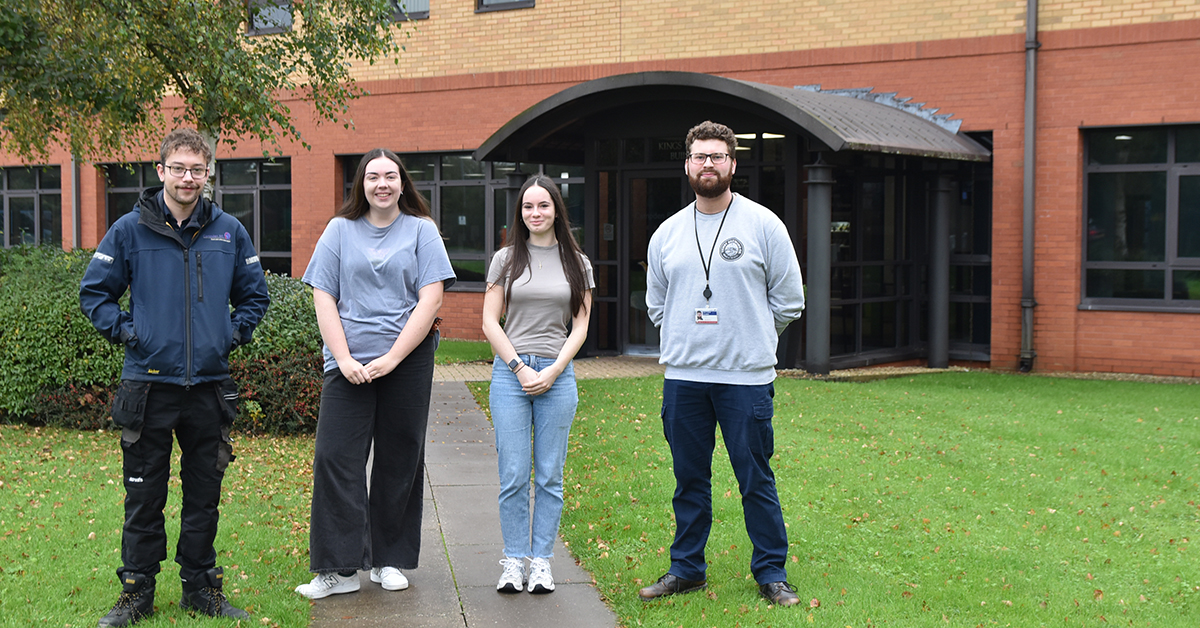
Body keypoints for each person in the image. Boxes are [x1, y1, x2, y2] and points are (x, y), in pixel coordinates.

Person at [80, 128, 271, 626]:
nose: (189, 177)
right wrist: (130, 333)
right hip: (147, 386)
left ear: (208, 174)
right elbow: (94, 294)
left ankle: (201, 589)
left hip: (210, 388)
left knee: (204, 496)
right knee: (144, 496)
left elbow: (255, 296)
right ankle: (136, 593)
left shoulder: (230, 230)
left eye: (198, 169)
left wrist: (230, 335)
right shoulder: (128, 230)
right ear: (161, 170)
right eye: (179, 168)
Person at [640, 121, 806, 607]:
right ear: (687, 165)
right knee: (689, 479)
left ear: (733, 164)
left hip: (745, 380)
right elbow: (657, 304)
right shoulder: (667, 233)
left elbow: (789, 300)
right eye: (699, 156)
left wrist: (750, 338)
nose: (707, 164)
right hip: (685, 379)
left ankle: (771, 573)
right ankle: (686, 569)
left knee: (755, 478)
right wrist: (687, 337)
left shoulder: (763, 225)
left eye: (716, 156)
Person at [295, 148, 455, 599]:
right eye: (372, 177)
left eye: (390, 176)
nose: (381, 184)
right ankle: (339, 570)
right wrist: (344, 358)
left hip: (406, 361)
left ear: (403, 183)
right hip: (347, 364)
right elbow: (324, 295)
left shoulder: (422, 230)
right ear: (360, 185)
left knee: (399, 457)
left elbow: (432, 298)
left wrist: (393, 358)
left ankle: (389, 560)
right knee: (334, 457)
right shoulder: (339, 230)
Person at [483, 175, 594, 594]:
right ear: (520, 213)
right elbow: (489, 321)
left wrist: (554, 370)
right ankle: (513, 561)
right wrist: (519, 368)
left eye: (543, 206)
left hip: (557, 374)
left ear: (556, 210)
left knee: (549, 475)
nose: (535, 213)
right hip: (511, 375)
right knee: (513, 473)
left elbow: (581, 325)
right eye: (528, 207)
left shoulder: (577, 263)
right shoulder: (505, 259)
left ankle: (542, 562)